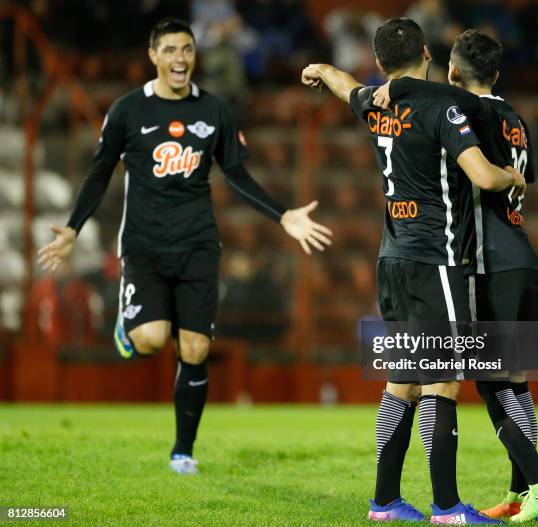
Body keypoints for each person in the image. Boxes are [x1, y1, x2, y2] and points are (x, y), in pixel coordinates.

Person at [38, 18, 332, 475]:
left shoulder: (214, 111)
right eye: (171, 50)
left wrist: (283, 216)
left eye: (187, 50)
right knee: (152, 340)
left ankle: (183, 451)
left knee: (194, 349)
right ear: (153, 56)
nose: (180, 59)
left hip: (197, 245)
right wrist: (74, 228)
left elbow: (236, 174)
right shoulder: (127, 111)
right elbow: (99, 173)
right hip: (144, 245)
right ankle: (130, 326)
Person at [302, 17, 524, 525]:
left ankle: (384, 501)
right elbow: (482, 175)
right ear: (428, 53)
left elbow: (345, 87)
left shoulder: (376, 103)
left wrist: (319, 68)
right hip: (436, 259)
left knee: (401, 381)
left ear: (380, 63)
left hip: (392, 258)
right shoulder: (441, 106)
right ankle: (447, 508)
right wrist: (513, 175)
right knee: (443, 383)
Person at [371, 29, 538, 523]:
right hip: (523, 259)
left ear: (452, 72)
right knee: (513, 384)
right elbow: (525, 176)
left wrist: (401, 87)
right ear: (498, 73)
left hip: (484, 265)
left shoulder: (466, 112)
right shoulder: (517, 119)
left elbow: (475, 166)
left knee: (480, 383)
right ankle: (521, 493)